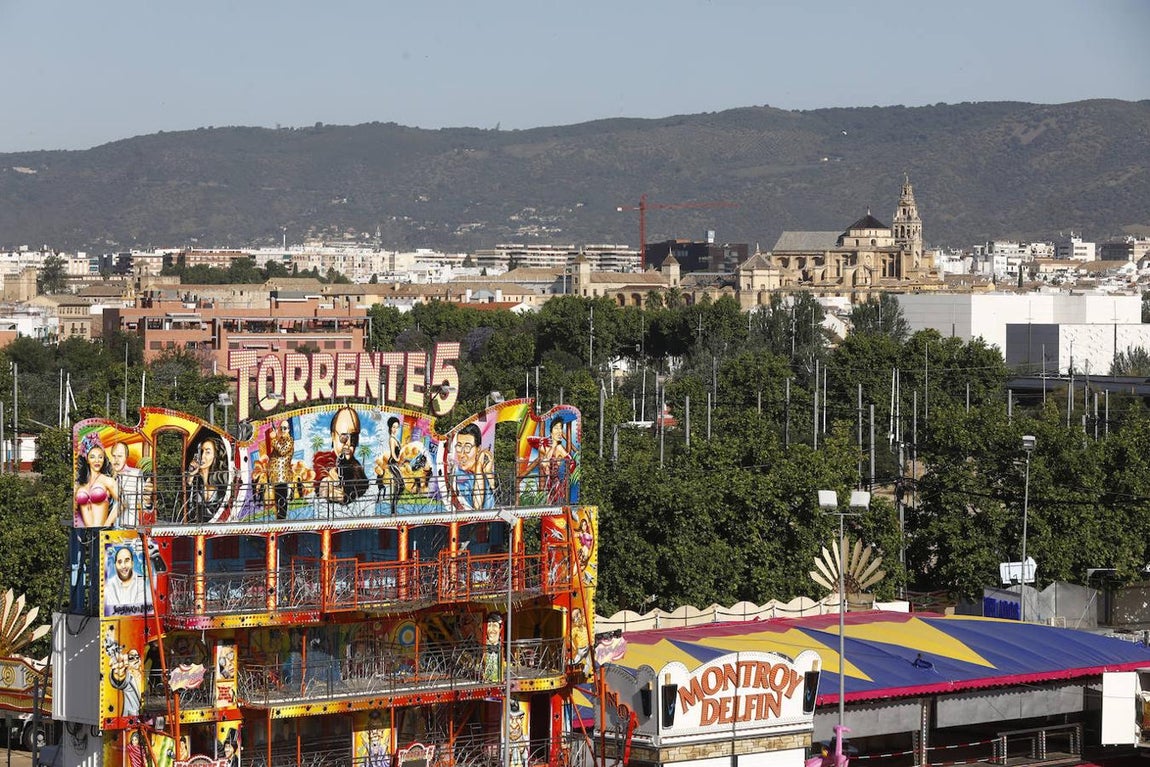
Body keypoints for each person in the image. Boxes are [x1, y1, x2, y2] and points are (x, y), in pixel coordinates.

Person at [313, 406, 369, 504]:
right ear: (333, 436)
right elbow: (321, 475)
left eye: (354, 438)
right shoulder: (323, 459)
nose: (348, 444)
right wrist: (327, 485)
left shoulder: (357, 467)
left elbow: (363, 486)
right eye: (344, 437)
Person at [75, 433, 120, 527]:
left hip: (102, 531)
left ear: (104, 459)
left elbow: (123, 503)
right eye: (92, 457)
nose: (97, 460)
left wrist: (107, 524)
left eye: (100, 457)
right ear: (87, 459)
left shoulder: (108, 481)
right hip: (84, 534)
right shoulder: (81, 483)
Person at [185, 430, 230, 523]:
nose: (202, 456)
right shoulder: (195, 481)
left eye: (207, 452)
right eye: (201, 451)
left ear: (215, 456)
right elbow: (186, 509)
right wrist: (190, 477)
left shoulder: (222, 480)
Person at [449, 423, 494, 510]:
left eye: (467, 447)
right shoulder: (458, 475)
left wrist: (487, 472)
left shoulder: (485, 471)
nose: (462, 454)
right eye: (459, 446)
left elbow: (498, 498)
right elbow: (477, 507)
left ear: (478, 449)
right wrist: (478, 469)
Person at [105, 545, 148, 616]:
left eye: (127, 561)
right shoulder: (110, 585)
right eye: (119, 562)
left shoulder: (141, 582)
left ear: (132, 563)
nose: (123, 566)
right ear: (115, 565)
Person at [109, 442, 143, 527]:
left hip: (129, 526)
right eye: (114, 456)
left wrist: (148, 502)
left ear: (126, 457)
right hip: (107, 527)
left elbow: (143, 501)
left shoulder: (136, 473)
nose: (116, 460)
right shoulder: (106, 476)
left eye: (120, 456)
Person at [266, 419, 295, 519]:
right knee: (277, 500)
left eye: (285, 428)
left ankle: (282, 519)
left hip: (283, 477)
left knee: (282, 500)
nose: (282, 430)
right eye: (281, 428)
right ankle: (279, 519)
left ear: (288, 430)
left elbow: (282, 451)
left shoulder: (289, 441)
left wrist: (273, 439)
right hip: (276, 477)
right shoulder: (279, 441)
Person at [109, 645, 144, 718]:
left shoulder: (144, 675)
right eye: (131, 658)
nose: (136, 660)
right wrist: (117, 675)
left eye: (137, 657)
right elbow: (120, 681)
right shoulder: (128, 676)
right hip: (131, 716)